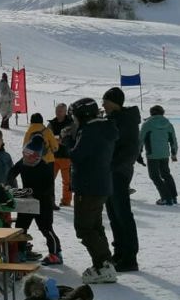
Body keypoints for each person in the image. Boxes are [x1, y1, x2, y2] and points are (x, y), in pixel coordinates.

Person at [68, 97, 119, 284]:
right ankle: (104, 263)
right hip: (100, 184)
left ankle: (104, 266)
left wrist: (67, 141)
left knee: (84, 228)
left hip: (88, 186)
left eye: (75, 116)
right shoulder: (103, 128)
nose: (74, 120)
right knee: (95, 226)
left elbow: (77, 156)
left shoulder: (90, 130)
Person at [102, 87, 141, 272]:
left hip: (119, 172)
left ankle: (130, 256)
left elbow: (131, 149)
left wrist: (114, 165)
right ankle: (119, 252)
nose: (103, 105)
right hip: (110, 172)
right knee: (113, 213)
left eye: (106, 101)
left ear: (115, 102)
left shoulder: (127, 121)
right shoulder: (113, 119)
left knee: (122, 213)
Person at [8, 135, 63, 265]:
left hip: (43, 203)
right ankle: (21, 251)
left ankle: (56, 253)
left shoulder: (45, 167)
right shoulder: (22, 162)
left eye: (31, 155)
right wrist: (8, 183)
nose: (28, 158)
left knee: (46, 228)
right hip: (27, 202)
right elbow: (11, 173)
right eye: (26, 153)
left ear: (38, 156)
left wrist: (26, 192)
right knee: (21, 228)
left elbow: (46, 188)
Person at [140, 105, 178, 206]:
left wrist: (138, 152)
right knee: (166, 174)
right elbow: (173, 140)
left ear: (151, 113)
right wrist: (174, 153)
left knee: (154, 176)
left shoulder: (147, 124)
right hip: (165, 153)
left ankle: (166, 198)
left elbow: (140, 139)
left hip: (152, 155)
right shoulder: (168, 124)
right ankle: (173, 197)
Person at [48, 103, 75, 207]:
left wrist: (61, 140)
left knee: (67, 182)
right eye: (57, 111)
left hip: (66, 156)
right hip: (53, 157)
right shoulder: (52, 123)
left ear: (65, 111)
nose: (58, 113)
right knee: (49, 180)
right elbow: (48, 137)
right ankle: (50, 200)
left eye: (60, 111)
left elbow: (73, 137)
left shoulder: (71, 123)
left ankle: (66, 201)